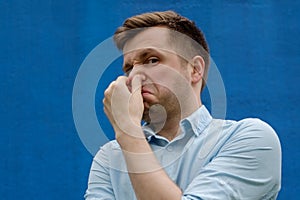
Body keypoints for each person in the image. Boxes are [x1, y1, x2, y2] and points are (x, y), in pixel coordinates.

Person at [84, 11, 281, 200]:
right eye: (129, 68)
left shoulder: (249, 139)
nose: (134, 76)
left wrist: (128, 130)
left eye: (152, 60)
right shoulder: (109, 158)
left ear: (195, 70)